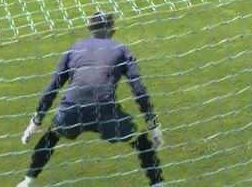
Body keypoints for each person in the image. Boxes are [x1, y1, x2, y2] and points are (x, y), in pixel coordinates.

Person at [17, 12, 165, 187]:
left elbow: (52, 87)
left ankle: (27, 182)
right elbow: (139, 89)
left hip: (72, 110)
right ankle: (157, 184)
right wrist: (153, 125)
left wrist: (36, 121)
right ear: (113, 29)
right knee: (140, 141)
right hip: (105, 112)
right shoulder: (122, 49)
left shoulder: (74, 48)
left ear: (89, 28)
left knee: (52, 136)